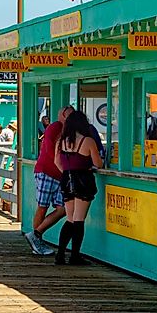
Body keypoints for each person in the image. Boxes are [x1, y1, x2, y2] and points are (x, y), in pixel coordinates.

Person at [54, 110, 103, 265]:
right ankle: (75, 256)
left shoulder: (61, 141)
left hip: (67, 179)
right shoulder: (87, 141)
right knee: (79, 219)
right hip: (83, 180)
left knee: (70, 218)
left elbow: (57, 162)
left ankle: (60, 254)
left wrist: (68, 172)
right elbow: (98, 163)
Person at [25, 106, 72, 256]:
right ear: (63, 115)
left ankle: (36, 235)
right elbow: (54, 151)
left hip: (60, 175)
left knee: (63, 209)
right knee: (42, 206)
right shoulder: (56, 127)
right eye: (70, 115)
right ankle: (37, 242)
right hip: (46, 172)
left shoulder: (66, 130)